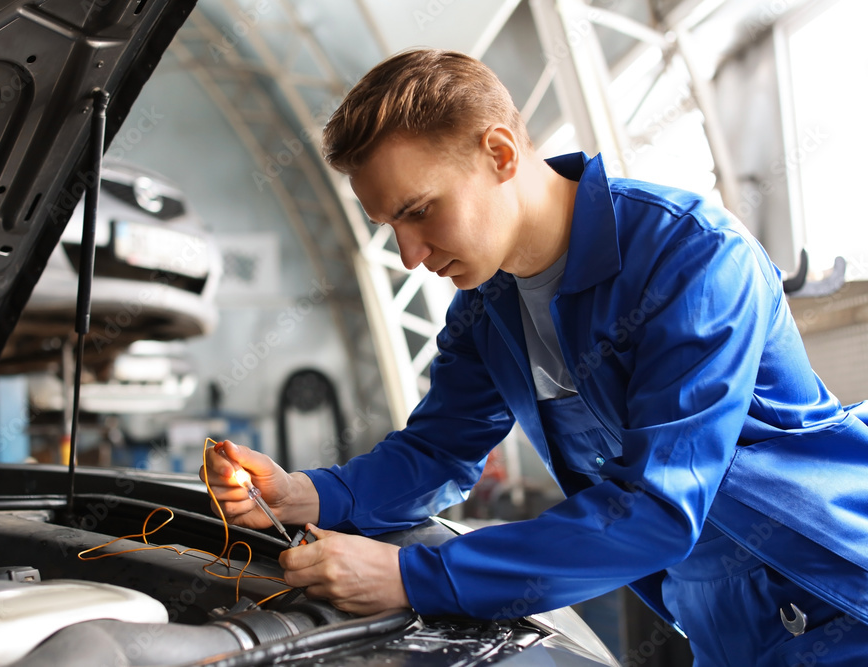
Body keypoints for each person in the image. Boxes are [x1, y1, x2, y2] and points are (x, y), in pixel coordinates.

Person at [204, 48, 868, 666]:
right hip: (726, 622)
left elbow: (658, 509)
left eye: (419, 211)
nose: (409, 254)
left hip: (841, 595)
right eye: (390, 227)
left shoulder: (691, 258)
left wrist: (411, 576)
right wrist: (304, 494)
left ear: (498, 153)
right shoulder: (487, 308)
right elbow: (437, 453)